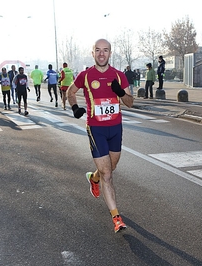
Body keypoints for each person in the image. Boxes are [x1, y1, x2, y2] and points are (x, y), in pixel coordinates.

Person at [67, 38, 134, 233]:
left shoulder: (119, 76)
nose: (102, 54)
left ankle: (93, 178)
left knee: (111, 167)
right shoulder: (86, 75)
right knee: (108, 174)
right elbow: (71, 92)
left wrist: (120, 92)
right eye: (98, 50)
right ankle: (116, 218)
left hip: (115, 128)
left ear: (110, 53)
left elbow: (130, 102)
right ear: (93, 53)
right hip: (96, 128)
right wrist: (75, 108)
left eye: (105, 50)